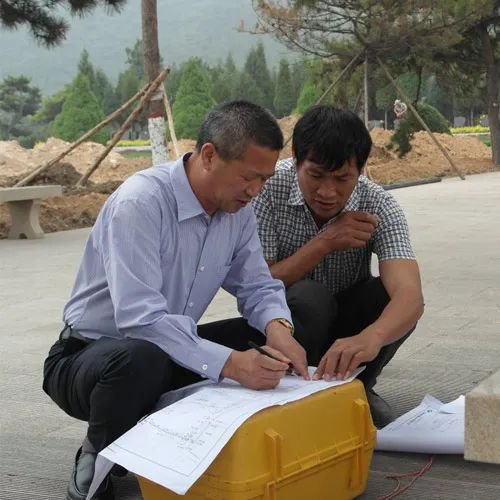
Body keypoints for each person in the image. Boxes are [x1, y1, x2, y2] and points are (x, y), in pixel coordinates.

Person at [42, 100, 308, 500]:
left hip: (167, 352)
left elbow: (257, 286)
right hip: (91, 360)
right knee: (142, 357)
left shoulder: (237, 211)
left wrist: (280, 329)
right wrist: (231, 364)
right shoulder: (141, 203)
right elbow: (141, 320)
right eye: (248, 177)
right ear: (209, 155)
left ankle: (212, 441)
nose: (255, 191)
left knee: (281, 329)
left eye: (264, 179)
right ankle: (98, 456)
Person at [252, 105, 424, 428]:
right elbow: (256, 283)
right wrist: (325, 242)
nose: (327, 192)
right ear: (296, 159)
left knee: (387, 298)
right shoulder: (267, 190)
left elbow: (411, 297)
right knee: (309, 297)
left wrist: (372, 336)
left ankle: (358, 385)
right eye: (315, 175)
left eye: (342, 178)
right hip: (287, 323)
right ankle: (292, 391)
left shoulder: (378, 204)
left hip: (348, 320)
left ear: (361, 169)